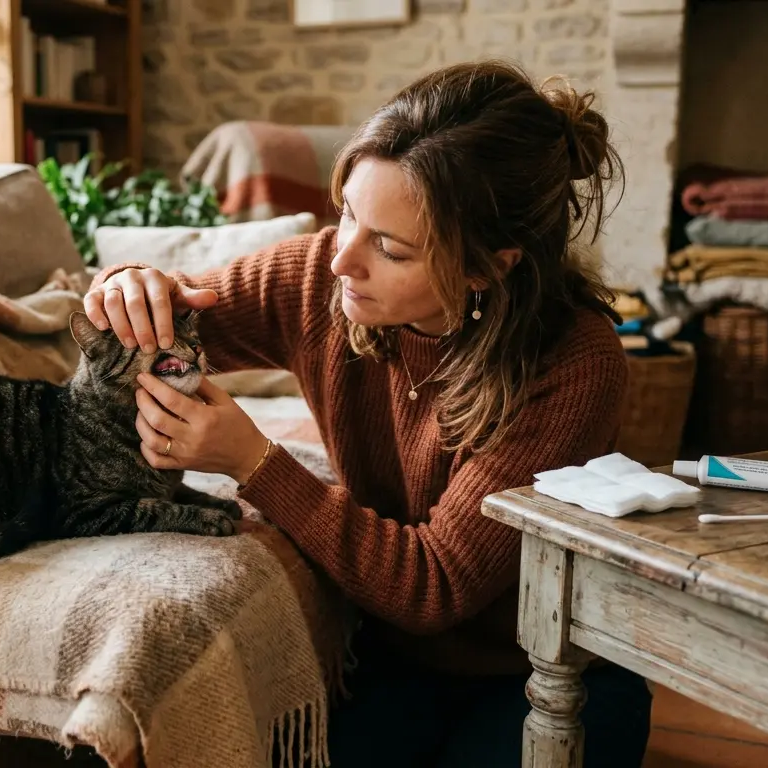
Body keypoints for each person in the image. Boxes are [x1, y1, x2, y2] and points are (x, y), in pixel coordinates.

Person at [83, 60, 652, 766]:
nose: (340, 259)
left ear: (488, 266)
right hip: (395, 659)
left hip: (549, 673)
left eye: (389, 247)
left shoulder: (574, 362)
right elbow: (171, 310)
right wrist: (124, 287)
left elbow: (436, 584)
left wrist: (252, 462)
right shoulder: (321, 275)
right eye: (348, 212)